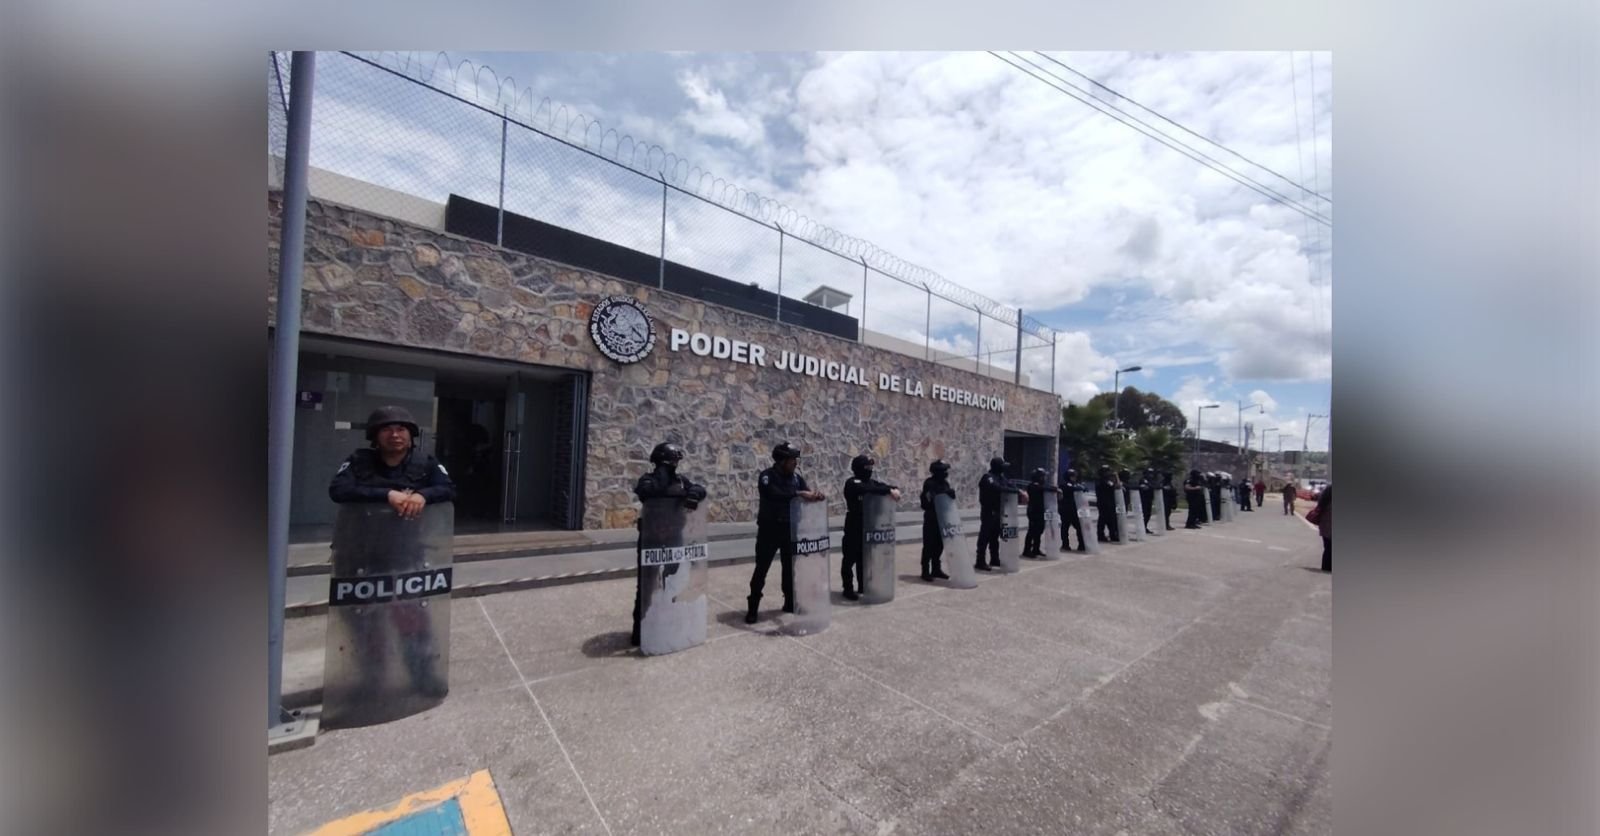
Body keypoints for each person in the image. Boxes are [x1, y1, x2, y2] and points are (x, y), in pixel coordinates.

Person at [631, 442, 707, 646]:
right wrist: (663, 474)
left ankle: (667, 622)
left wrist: (693, 494)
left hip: (674, 538)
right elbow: (647, 492)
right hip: (652, 539)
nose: (675, 465)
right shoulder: (648, 480)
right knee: (646, 586)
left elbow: (700, 490)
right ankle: (640, 630)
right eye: (672, 462)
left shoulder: (681, 481)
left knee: (672, 584)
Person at [748, 442, 825, 624]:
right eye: (792, 460)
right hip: (769, 531)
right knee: (761, 569)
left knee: (790, 569)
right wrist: (800, 494)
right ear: (782, 460)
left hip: (790, 530)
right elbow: (774, 494)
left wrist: (815, 497)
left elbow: (805, 493)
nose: (795, 463)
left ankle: (790, 603)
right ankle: (753, 608)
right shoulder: (767, 476)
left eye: (795, 460)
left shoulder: (797, 479)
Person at [329, 405, 456, 514]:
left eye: (401, 430)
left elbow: (448, 489)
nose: (394, 435)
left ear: (410, 436)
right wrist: (387, 494)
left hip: (410, 531)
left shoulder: (426, 462)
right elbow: (338, 490)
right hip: (363, 531)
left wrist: (423, 495)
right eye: (386, 430)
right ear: (375, 436)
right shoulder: (359, 460)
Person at [842, 454, 901, 598]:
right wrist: (888, 491)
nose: (870, 470)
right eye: (867, 467)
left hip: (868, 526)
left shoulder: (871, 482)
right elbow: (867, 489)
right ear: (859, 468)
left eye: (870, 467)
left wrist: (893, 489)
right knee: (849, 559)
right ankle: (848, 589)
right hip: (854, 525)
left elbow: (884, 486)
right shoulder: (852, 483)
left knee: (864, 559)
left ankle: (863, 586)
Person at [919, 460, 957, 580]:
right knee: (929, 545)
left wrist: (951, 495)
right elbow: (932, 498)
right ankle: (925, 571)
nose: (945, 473)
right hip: (932, 518)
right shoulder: (929, 483)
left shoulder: (945, 483)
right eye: (943, 470)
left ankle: (936, 569)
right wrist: (946, 493)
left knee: (939, 545)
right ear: (937, 472)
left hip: (942, 518)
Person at [974, 457, 1009, 571]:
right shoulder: (988, 477)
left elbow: (1010, 485)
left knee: (995, 537)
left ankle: (994, 559)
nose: (1004, 468)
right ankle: (980, 561)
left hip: (998, 511)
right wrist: (1007, 489)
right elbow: (996, 488)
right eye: (1002, 466)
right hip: (989, 511)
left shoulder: (1001, 477)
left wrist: (1019, 491)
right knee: (985, 536)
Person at [1022, 467, 1051, 557]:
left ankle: (1036, 549)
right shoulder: (1033, 485)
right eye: (1043, 476)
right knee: (1032, 531)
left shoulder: (1040, 486)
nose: (1045, 478)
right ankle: (1027, 550)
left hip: (1040, 511)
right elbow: (1041, 489)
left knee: (1039, 531)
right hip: (1034, 511)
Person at [1057, 468, 1087, 552]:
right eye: (1073, 476)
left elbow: (1082, 488)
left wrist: (1082, 487)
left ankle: (1081, 545)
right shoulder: (1064, 485)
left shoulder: (1075, 484)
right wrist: (1080, 487)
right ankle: (1065, 545)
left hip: (1074, 510)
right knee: (1065, 528)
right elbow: (1071, 488)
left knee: (1079, 527)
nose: (1075, 478)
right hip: (1066, 510)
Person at [1094, 465, 1121, 543]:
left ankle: (1112, 535)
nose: (1109, 473)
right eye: (1107, 471)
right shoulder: (1103, 481)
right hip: (1104, 503)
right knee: (1103, 520)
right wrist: (1116, 476)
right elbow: (1117, 486)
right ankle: (1101, 535)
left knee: (1110, 519)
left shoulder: (1105, 480)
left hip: (1108, 503)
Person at [1313, 484, 1332, 572]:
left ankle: (1326, 567)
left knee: (1327, 547)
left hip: (1324, 526)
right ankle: (1328, 567)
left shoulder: (1324, 501)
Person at [1138, 469, 1157, 534]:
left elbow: (1154, 486)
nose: (1151, 475)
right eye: (1149, 473)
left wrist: (1150, 486)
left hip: (1149, 499)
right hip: (1144, 499)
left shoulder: (1151, 480)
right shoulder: (1143, 480)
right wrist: (1149, 486)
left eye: (1151, 473)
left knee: (1148, 514)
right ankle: (1142, 527)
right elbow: (1145, 487)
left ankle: (1145, 527)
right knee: (1145, 514)